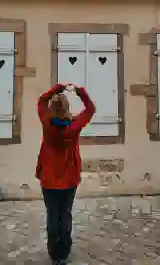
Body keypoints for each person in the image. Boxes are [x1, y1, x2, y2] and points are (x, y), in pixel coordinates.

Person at [36, 83, 96, 265]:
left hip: (48, 178)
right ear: (67, 109)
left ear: (52, 109)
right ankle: (64, 251)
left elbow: (41, 101)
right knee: (66, 213)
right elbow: (91, 109)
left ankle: (54, 252)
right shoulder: (75, 126)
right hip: (69, 178)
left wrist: (57, 88)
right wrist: (80, 91)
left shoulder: (46, 122)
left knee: (52, 213)